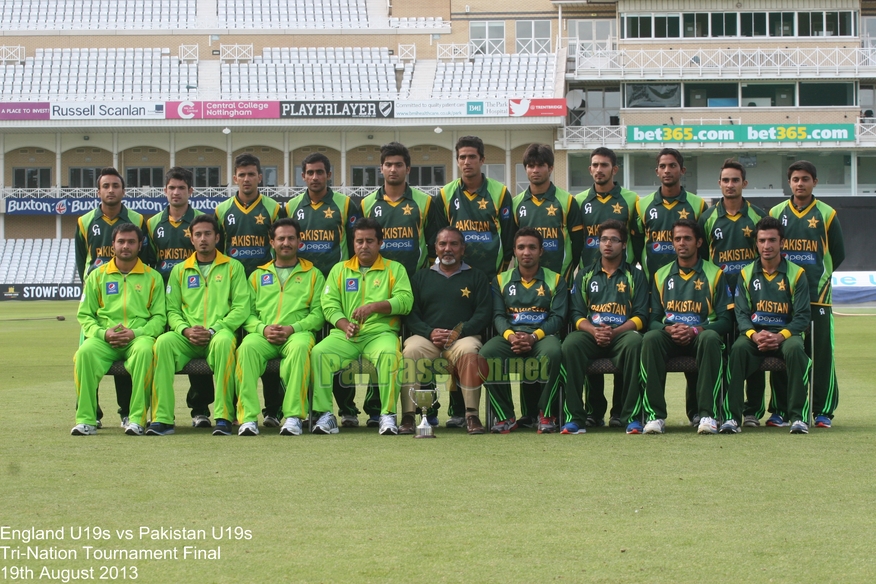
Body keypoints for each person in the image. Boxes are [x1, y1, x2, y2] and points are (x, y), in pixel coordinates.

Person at [360, 142, 448, 425]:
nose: (393, 169)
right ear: (381, 168)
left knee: (421, 348)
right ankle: (376, 410)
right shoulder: (366, 204)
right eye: (388, 164)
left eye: (399, 164)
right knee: (379, 348)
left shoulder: (425, 202)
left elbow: (436, 245)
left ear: (408, 168)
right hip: (378, 289)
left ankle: (427, 411)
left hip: (417, 288)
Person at [309, 218, 413, 435]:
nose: (364, 246)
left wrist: (375, 307)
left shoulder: (395, 269)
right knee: (319, 352)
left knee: (389, 355)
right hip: (346, 336)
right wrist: (344, 323)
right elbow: (328, 304)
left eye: (369, 241)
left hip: (380, 333)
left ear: (380, 243)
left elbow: (405, 301)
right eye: (359, 241)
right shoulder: (340, 270)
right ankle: (325, 415)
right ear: (353, 244)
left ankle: (387, 415)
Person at [149, 215, 250, 436]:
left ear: (217, 237)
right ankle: (163, 418)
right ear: (191, 239)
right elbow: (172, 310)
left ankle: (223, 417)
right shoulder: (179, 270)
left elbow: (241, 307)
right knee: (163, 343)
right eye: (198, 234)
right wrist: (185, 330)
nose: (203, 239)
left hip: (218, 334)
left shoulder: (233, 267)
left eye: (207, 234)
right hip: (187, 337)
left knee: (225, 343)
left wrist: (215, 329)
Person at [286, 153, 364, 428]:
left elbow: (356, 241)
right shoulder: (293, 205)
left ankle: (347, 409)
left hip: (340, 287)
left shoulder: (345, 204)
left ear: (329, 175)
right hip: (302, 285)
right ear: (303, 176)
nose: (315, 177)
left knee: (340, 349)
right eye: (310, 172)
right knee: (304, 352)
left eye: (320, 172)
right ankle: (307, 409)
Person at [74, 167, 153, 429]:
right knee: (85, 353)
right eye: (105, 186)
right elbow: (80, 260)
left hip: (134, 291)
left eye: (115, 186)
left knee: (133, 352)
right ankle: (90, 415)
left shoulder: (137, 220)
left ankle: (128, 413)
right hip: (100, 291)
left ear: (123, 190)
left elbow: (148, 256)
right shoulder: (85, 221)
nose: (110, 190)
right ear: (98, 191)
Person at [769, 160, 845, 428]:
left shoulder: (827, 213)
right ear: (789, 183)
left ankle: (822, 410)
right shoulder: (777, 212)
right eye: (795, 179)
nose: (800, 184)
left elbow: (838, 253)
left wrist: (819, 279)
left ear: (815, 181)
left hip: (817, 297)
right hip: (782, 297)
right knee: (782, 352)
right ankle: (779, 409)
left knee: (821, 354)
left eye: (805, 179)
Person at [639, 219, 733, 434]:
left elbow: (726, 321)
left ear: (699, 242)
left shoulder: (715, 274)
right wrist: (667, 329)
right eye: (677, 239)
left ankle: (707, 414)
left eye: (687, 238)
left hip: (700, 337)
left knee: (710, 339)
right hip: (670, 337)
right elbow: (652, 320)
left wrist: (695, 330)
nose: (682, 243)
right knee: (651, 338)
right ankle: (655, 416)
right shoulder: (660, 275)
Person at [71, 223, 165, 436]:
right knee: (84, 353)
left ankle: (136, 419)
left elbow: (160, 318)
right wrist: (104, 333)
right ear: (112, 245)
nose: (125, 246)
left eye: (131, 242)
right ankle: (86, 419)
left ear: (140, 245)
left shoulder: (153, 277)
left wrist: (136, 333)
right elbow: (85, 315)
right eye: (121, 241)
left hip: (137, 338)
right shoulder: (97, 276)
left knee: (144, 352)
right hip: (105, 338)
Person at [236, 218, 325, 436]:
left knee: (301, 348)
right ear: (272, 242)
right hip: (263, 336)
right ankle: (248, 419)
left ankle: (293, 417)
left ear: (299, 241)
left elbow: (319, 314)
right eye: (281, 238)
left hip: (297, 334)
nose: (286, 243)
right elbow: (246, 313)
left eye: (291, 238)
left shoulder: (313, 274)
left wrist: (293, 328)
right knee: (245, 348)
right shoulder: (257, 275)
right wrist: (262, 329)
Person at [721, 217, 811, 434]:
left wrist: (781, 336)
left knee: (796, 349)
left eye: (772, 240)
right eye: (762, 241)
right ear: (756, 244)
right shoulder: (746, 273)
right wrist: (754, 335)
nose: (767, 246)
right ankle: (732, 417)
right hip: (755, 335)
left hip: (786, 336)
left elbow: (802, 316)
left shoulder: (796, 274)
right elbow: (741, 314)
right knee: (738, 349)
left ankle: (798, 417)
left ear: (782, 242)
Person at [637, 149, 707, 425]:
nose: (667, 170)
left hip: (694, 285)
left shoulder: (698, 205)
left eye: (673, 166)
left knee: (697, 344)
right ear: (657, 172)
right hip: (658, 287)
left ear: (682, 170)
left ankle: (697, 412)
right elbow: (635, 245)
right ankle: (654, 414)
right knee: (655, 345)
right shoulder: (642, 206)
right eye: (662, 166)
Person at [215, 154, 285, 427]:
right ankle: (232, 410)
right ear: (235, 178)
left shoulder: (273, 208)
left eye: (251, 174)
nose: (246, 179)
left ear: (260, 177)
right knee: (233, 354)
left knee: (267, 347)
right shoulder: (222, 211)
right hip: (230, 292)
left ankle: (272, 410)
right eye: (241, 175)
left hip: (265, 289)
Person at [560, 219, 648, 435]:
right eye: (603, 239)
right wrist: (594, 331)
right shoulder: (585, 275)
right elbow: (577, 314)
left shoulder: (635, 275)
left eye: (614, 240)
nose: (608, 244)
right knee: (570, 344)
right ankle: (576, 418)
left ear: (624, 244)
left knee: (636, 342)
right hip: (592, 333)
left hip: (622, 334)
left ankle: (631, 417)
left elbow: (641, 316)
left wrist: (615, 331)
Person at [574, 147, 641, 428]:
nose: (598, 169)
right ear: (589, 169)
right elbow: (576, 243)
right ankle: (593, 410)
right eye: (594, 165)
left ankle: (619, 412)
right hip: (591, 282)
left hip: (621, 281)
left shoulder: (631, 200)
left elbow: (637, 242)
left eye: (604, 165)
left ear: (615, 169)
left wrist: (629, 270)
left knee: (625, 344)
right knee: (589, 340)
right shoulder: (578, 201)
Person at [401, 227, 491, 435]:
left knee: (470, 351)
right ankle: (408, 416)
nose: (447, 249)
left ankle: (471, 415)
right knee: (410, 350)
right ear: (436, 248)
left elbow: (484, 312)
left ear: (463, 248)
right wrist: (429, 332)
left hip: (462, 338)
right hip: (428, 339)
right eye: (443, 244)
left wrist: (459, 331)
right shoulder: (420, 277)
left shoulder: (477, 277)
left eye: (453, 244)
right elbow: (410, 313)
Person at [698, 159, 768, 427]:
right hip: (719, 299)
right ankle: (720, 408)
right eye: (725, 180)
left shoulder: (758, 216)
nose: (730, 185)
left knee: (751, 350)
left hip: (754, 298)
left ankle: (752, 411)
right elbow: (702, 261)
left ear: (744, 184)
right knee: (722, 355)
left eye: (735, 180)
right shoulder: (708, 218)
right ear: (719, 184)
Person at [479, 227, 568, 434]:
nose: (526, 252)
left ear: (541, 251)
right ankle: (505, 416)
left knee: (554, 353)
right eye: (521, 247)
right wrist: (511, 337)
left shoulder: (556, 280)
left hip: (542, 337)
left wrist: (533, 336)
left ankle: (546, 414)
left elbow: (558, 318)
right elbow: (498, 316)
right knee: (485, 354)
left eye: (531, 247)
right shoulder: (500, 280)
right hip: (511, 336)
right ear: (514, 251)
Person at [147, 167, 214, 429]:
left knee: (201, 350)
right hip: (162, 299)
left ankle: (200, 409)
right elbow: (151, 261)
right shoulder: (152, 223)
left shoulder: (201, 220)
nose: (176, 193)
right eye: (172, 188)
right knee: (162, 352)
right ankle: (159, 413)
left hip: (193, 295)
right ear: (165, 191)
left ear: (190, 191)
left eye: (181, 188)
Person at [439, 135, 515, 281]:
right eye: (462, 157)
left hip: (492, 276)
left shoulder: (500, 192)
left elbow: (508, 235)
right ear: (457, 161)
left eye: (472, 157)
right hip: (456, 276)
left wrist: (503, 267)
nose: (467, 162)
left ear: (482, 160)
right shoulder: (445, 194)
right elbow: (439, 237)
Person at [513, 143, 583, 282]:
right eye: (531, 166)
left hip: (560, 280)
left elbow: (578, 244)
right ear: (526, 169)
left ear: (550, 168)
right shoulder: (515, 203)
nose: (535, 170)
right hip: (525, 282)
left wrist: (567, 271)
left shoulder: (567, 201)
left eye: (540, 166)